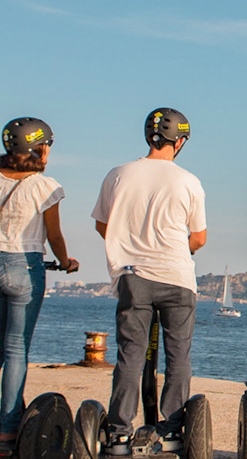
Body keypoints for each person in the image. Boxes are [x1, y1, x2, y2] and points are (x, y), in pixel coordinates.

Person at [92, 108, 208, 455]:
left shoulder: (118, 174)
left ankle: (119, 434)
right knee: (178, 355)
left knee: (131, 354)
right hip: (176, 277)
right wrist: (173, 250)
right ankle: (171, 431)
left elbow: (103, 225)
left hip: (133, 276)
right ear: (181, 141)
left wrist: (132, 245)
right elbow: (199, 238)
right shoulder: (188, 181)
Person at [0, 117, 79, 444]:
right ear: (40, 148)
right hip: (24, 269)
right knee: (16, 350)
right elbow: (54, 235)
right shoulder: (45, 186)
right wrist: (65, 262)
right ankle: (8, 428)